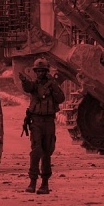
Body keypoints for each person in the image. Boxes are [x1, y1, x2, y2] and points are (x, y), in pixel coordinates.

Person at [19, 58, 65, 194]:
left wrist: (53, 85)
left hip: (49, 122)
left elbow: (61, 98)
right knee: (36, 151)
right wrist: (24, 80)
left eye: (42, 71)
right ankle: (32, 181)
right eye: (37, 71)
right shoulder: (34, 84)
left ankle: (45, 184)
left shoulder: (52, 85)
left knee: (47, 152)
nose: (39, 73)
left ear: (46, 72)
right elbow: (28, 88)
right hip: (36, 121)